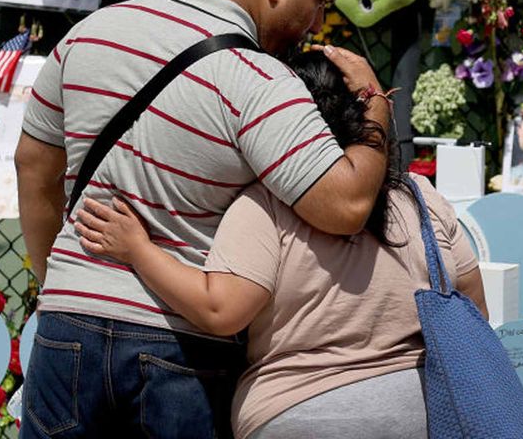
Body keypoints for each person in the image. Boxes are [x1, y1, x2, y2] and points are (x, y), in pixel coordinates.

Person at [17, 0, 387, 438]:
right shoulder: (259, 80)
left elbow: (32, 166)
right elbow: (347, 205)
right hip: (180, 345)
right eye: (320, 3)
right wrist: (375, 103)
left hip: (66, 327)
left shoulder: (90, 32)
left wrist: (64, 280)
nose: (316, 25)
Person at [73, 51, 486, 439]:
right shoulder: (420, 199)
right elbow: (474, 308)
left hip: (297, 412)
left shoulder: (265, 205)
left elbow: (222, 310)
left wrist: (137, 249)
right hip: (424, 412)